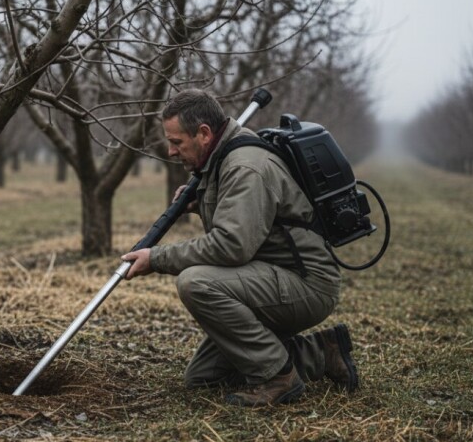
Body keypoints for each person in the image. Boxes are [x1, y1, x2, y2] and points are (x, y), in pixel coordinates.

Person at [121, 88, 359, 407]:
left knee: (196, 283)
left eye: (177, 142)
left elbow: (231, 245)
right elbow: (246, 219)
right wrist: (201, 201)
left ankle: (279, 379)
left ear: (204, 133)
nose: (171, 151)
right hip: (272, 275)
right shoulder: (224, 156)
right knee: (205, 377)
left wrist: (157, 258)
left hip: (306, 284)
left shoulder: (245, 166)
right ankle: (322, 353)